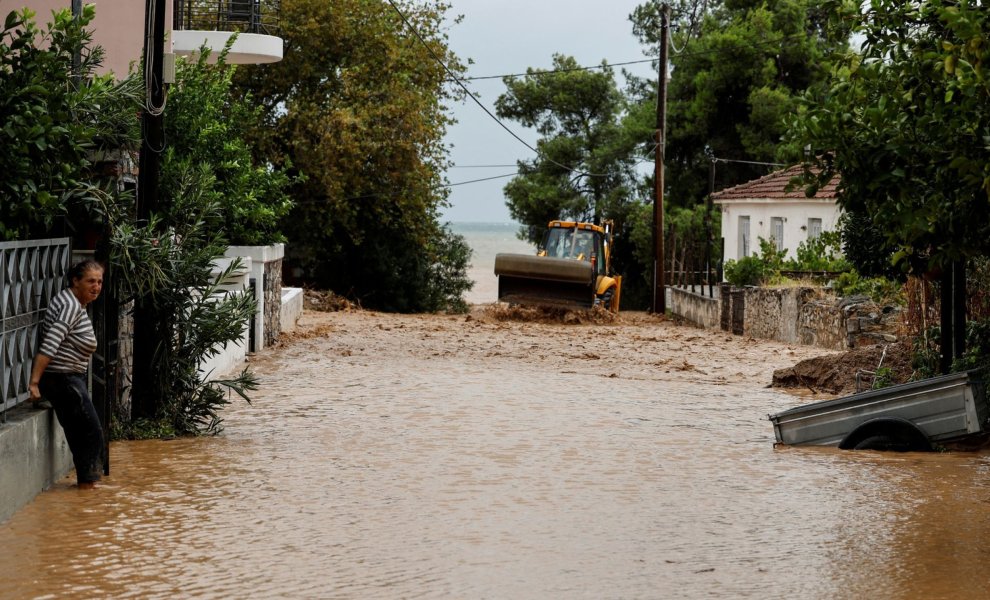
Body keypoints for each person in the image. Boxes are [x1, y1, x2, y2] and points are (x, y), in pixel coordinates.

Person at [28, 259, 105, 489]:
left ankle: (84, 489)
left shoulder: (75, 302)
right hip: (63, 378)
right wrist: (35, 382)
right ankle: (87, 489)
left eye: (100, 282)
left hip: (69, 378)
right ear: (75, 281)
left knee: (79, 432)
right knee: (91, 432)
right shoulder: (70, 306)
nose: (96, 286)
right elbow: (51, 343)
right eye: (91, 281)